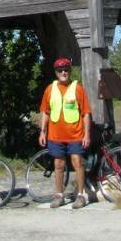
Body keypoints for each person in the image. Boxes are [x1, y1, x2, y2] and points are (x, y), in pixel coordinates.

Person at [39, 57, 92, 209]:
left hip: (75, 134)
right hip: (55, 135)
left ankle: (81, 195)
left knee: (78, 163)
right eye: (60, 70)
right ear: (56, 72)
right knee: (59, 164)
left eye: (66, 70)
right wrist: (42, 132)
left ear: (70, 71)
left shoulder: (78, 89)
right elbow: (46, 112)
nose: (63, 73)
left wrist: (87, 134)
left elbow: (86, 113)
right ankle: (59, 195)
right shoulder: (50, 89)